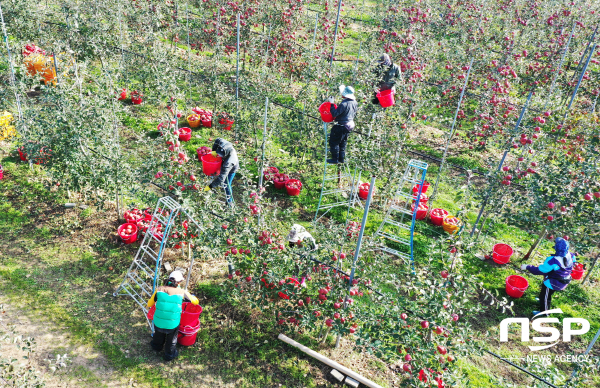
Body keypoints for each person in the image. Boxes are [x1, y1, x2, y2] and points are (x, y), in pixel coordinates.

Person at [147, 270, 199, 361]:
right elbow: (195, 302)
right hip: (172, 324)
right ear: (179, 282)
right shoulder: (182, 292)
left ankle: (156, 347)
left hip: (158, 321)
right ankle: (169, 355)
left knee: (158, 334)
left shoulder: (159, 290)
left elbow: (149, 304)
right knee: (171, 340)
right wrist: (192, 296)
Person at [521, 237, 575, 317]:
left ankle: (545, 312)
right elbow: (573, 263)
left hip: (552, 283)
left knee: (545, 297)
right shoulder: (571, 255)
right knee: (546, 293)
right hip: (564, 279)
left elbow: (540, 270)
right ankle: (541, 299)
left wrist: (527, 267)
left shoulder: (552, 261)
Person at [326, 85, 358, 164]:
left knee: (334, 142)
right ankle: (341, 158)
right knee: (343, 142)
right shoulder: (355, 102)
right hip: (350, 125)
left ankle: (335, 159)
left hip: (343, 125)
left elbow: (334, 114)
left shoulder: (344, 104)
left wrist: (332, 103)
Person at [204, 138, 239, 203]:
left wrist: (210, 186)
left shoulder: (229, 162)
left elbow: (221, 179)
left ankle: (229, 201)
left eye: (220, 155)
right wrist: (214, 150)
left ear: (225, 155)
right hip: (225, 162)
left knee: (226, 184)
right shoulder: (223, 144)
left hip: (232, 169)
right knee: (219, 171)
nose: (218, 156)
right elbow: (217, 140)